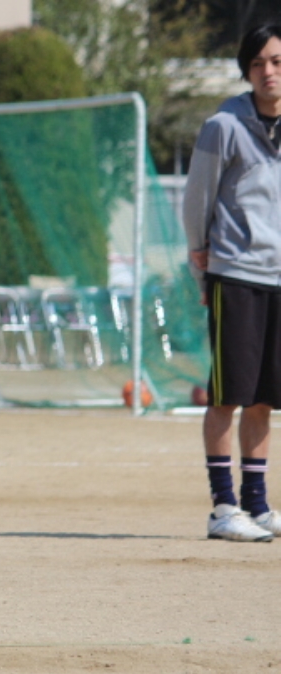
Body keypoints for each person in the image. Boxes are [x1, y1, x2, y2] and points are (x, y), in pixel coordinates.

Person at [182, 21, 281, 544]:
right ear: (246, 70)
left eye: (278, 62)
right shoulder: (223, 125)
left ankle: (258, 505)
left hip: (279, 278)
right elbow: (197, 198)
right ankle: (223, 506)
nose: (269, 72)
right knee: (228, 394)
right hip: (235, 273)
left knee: (264, 399)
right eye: (258, 63)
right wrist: (202, 264)